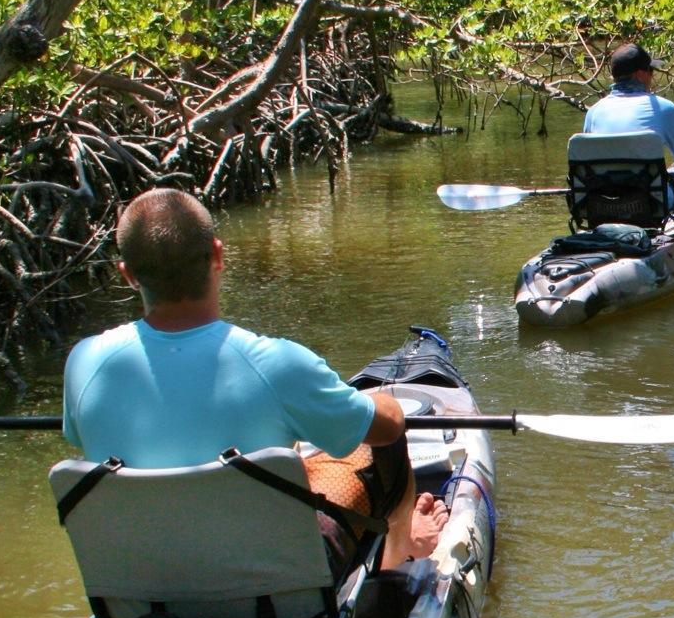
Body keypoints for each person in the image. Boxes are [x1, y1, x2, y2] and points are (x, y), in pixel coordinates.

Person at [62, 188, 447, 571]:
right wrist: (386, 405)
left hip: (142, 583)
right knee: (384, 442)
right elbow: (387, 427)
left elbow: (81, 437)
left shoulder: (84, 362)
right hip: (273, 586)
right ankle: (401, 550)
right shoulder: (279, 363)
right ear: (218, 255)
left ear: (128, 275)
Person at [582, 42, 674, 212]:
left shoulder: (593, 112)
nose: (652, 76)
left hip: (602, 203)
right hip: (651, 204)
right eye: (650, 70)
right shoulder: (663, 108)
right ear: (639, 75)